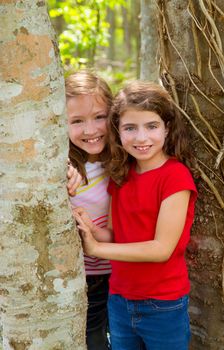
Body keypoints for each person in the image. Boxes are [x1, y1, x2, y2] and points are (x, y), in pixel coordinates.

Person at [74, 80, 197, 350]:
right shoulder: (121, 175)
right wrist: (92, 229)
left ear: (167, 127)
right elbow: (118, 236)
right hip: (118, 299)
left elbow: (161, 249)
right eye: (130, 128)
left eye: (151, 126)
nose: (141, 138)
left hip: (163, 303)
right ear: (117, 131)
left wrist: (98, 248)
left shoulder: (175, 178)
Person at [65, 70, 113, 350]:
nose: (90, 130)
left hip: (127, 271)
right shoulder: (66, 167)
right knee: (94, 340)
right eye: (77, 121)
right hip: (88, 277)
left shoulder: (128, 156)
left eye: (99, 117)